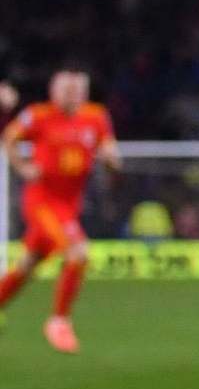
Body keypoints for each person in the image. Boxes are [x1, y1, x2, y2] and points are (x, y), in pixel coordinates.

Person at [0, 68, 122, 353]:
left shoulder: (96, 117)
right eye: (66, 90)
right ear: (54, 91)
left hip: (69, 205)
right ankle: (58, 320)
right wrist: (22, 168)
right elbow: (9, 137)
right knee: (78, 252)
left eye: (77, 90)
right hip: (42, 202)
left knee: (27, 265)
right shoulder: (39, 115)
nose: (71, 95)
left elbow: (112, 153)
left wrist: (111, 160)